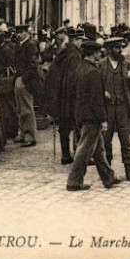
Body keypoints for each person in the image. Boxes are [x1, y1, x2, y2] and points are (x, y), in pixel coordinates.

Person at [66, 41, 120, 191]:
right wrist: (103, 119)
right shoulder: (93, 72)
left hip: (80, 113)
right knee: (84, 149)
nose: (100, 54)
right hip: (92, 117)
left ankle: (108, 177)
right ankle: (74, 181)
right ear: (94, 53)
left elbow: (75, 92)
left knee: (98, 149)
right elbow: (96, 100)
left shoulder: (78, 68)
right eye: (98, 52)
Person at [98, 37, 130, 181]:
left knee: (125, 139)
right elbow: (95, 85)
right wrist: (103, 92)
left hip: (122, 107)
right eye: (116, 48)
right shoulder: (101, 65)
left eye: (121, 47)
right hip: (107, 108)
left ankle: (129, 169)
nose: (120, 50)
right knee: (106, 140)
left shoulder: (126, 64)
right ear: (109, 50)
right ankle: (107, 171)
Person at [46, 27, 83, 164]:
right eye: (80, 40)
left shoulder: (62, 53)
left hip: (60, 94)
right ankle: (79, 154)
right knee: (78, 124)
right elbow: (75, 76)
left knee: (64, 126)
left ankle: (66, 155)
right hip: (71, 95)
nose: (81, 43)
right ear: (76, 40)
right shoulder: (75, 55)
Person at [13, 24, 41, 148]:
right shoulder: (22, 45)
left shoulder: (30, 46)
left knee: (26, 108)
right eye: (17, 32)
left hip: (25, 80)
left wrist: (23, 79)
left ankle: (30, 135)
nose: (18, 35)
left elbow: (33, 65)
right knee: (20, 108)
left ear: (26, 32)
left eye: (21, 32)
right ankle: (23, 133)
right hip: (20, 78)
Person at [0, 31, 19, 139]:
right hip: (0, 82)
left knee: (9, 106)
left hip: (6, 82)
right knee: (4, 106)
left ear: (0, 40)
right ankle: (7, 129)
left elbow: (11, 67)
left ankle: (12, 129)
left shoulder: (6, 51)